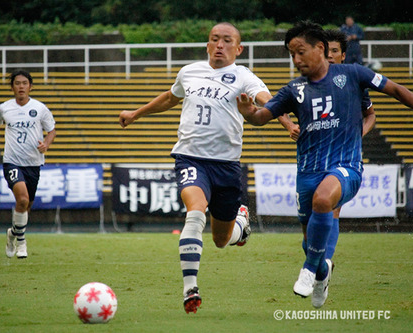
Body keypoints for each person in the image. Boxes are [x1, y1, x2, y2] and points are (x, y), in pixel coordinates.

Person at [237, 21, 413, 308]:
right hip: (307, 171)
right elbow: (260, 118)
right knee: (310, 241)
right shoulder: (293, 90)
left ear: (320, 49)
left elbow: (394, 90)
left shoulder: (353, 74)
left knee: (323, 201)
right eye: (292, 54)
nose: (296, 60)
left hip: (346, 167)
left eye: (301, 52)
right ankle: (321, 274)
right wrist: (248, 112)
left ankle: (308, 270)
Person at [119, 22, 272, 314]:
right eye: (214, 39)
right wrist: (136, 114)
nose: (219, 45)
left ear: (238, 49)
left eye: (227, 41)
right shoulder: (189, 71)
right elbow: (169, 97)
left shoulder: (244, 77)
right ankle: (190, 288)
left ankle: (240, 225)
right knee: (195, 211)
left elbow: (267, 100)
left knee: (220, 240)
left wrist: (287, 119)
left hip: (226, 165)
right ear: (207, 45)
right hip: (190, 158)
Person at [277, 28, 377, 270]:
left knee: (331, 208)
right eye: (327, 50)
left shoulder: (352, 83)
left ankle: (322, 266)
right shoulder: (306, 84)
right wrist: (290, 124)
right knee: (310, 232)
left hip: (341, 159)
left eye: (335, 51)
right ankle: (319, 265)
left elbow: (370, 114)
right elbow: (276, 106)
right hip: (310, 160)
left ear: (343, 56)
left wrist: (358, 132)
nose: (330, 55)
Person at [0, 69, 56, 259]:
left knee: (26, 205)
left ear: (30, 86)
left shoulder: (40, 108)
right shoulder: (4, 108)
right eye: (17, 83)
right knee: (23, 199)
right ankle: (22, 242)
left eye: (24, 83)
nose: (21, 87)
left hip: (33, 163)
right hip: (12, 162)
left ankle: (12, 234)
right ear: (12, 87)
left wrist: (46, 144)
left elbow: (51, 130)